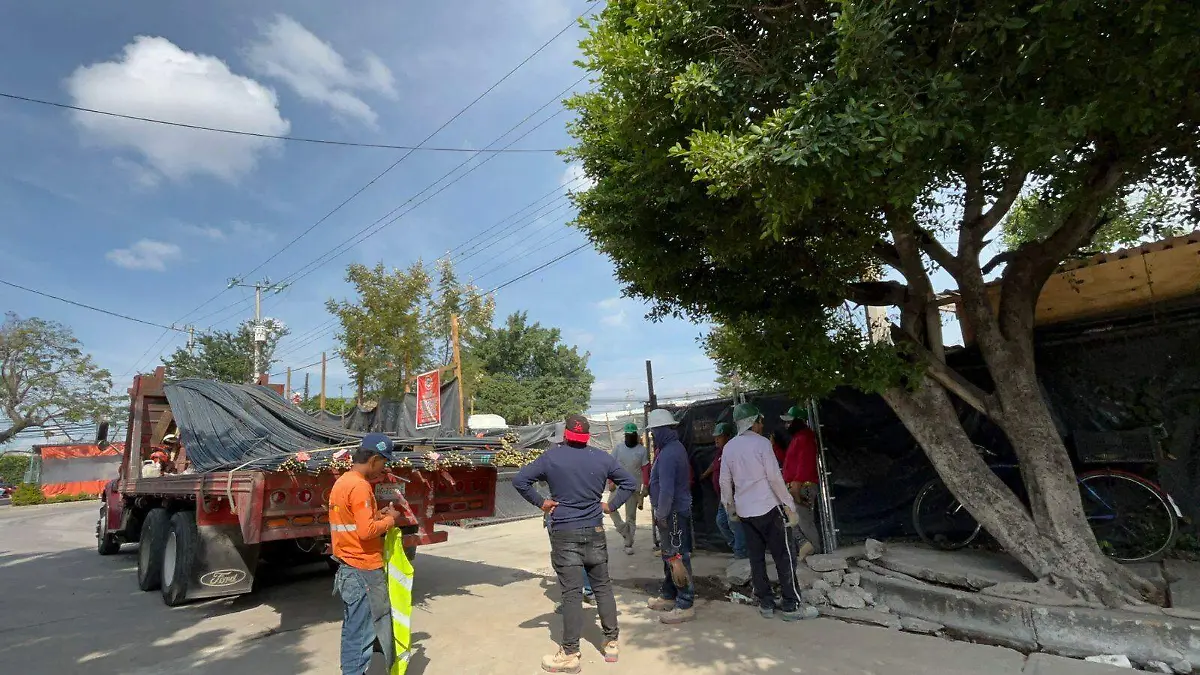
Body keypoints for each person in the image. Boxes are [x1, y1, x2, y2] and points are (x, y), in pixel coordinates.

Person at [514, 414, 638, 672]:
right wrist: (610, 505)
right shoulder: (602, 458)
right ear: (587, 435)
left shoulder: (551, 457)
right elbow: (630, 482)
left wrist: (542, 503)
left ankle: (570, 653)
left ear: (566, 434)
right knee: (602, 586)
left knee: (571, 593)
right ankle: (611, 643)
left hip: (564, 532)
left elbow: (520, 481)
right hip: (595, 530)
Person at [720, 403, 813, 622]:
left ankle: (766, 603)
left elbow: (725, 481)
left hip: (746, 512)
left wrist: (730, 507)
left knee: (757, 558)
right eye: (760, 421)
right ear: (753, 422)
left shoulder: (730, 447)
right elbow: (774, 478)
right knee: (784, 556)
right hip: (769, 509)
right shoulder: (762, 444)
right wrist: (789, 506)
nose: (762, 425)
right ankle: (791, 605)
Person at [329, 433, 403, 675]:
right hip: (362, 568)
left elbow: (354, 521)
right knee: (362, 633)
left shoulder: (343, 481)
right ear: (373, 460)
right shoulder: (360, 486)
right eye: (384, 463)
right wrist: (390, 521)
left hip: (349, 565)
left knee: (354, 629)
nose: (384, 468)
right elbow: (366, 531)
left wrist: (377, 515)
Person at [645, 408, 696, 624]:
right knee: (670, 556)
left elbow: (667, 489)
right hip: (672, 511)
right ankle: (669, 594)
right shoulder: (671, 449)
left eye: (654, 432)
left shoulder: (669, 454)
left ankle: (685, 603)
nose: (652, 436)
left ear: (661, 430)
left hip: (672, 512)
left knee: (677, 559)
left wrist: (662, 513)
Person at [781, 405, 822, 560]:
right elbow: (791, 461)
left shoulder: (804, 438)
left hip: (802, 486)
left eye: (789, 422)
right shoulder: (800, 438)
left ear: (798, 421)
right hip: (798, 485)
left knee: (804, 521)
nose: (786, 425)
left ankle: (816, 555)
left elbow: (805, 463)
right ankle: (809, 548)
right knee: (795, 519)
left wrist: (796, 486)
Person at [702, 422, 747, 559]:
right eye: (716, 436)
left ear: (728, 437)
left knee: (735, 524)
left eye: (719, 436)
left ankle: (741, 553)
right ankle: (737, 547)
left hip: (732, 496)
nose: (716, 439)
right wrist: (705, 474)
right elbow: (715, 464)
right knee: (721, 522)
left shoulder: (733, 451)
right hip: (724, 496)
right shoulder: (721, 452)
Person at [607, 422, 649, 554]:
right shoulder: (619, 448)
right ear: (625, 435)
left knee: (631, 516)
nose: (630, 437)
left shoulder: (641, 450)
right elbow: (610, 464)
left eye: (632, 435)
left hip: (633, 487)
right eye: (628, 435)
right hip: (618, 485)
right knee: (610, 507)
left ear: (636, 435)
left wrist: (645, 486)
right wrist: (610, 481)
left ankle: (628, 543)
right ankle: (623, 529)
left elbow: (645, 469)